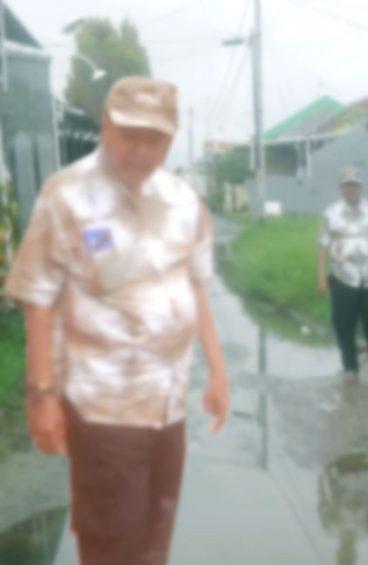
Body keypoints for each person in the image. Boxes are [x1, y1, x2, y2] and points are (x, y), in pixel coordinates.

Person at [3, 77, 231, 565]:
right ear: (106, 126)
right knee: (110, 544)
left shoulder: (184, 201)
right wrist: (41, 395)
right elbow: (38, 295)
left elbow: (196, 287)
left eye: (155, 138)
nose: (141, 150)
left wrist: (217, 370)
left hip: (167, 405)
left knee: (155, 536)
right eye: (130, 135)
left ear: (170, 139)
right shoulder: (66, 195)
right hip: (103, 407)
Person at [317, 166, 368, 383]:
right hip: (342, 276)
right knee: (344, 324)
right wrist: (321, 277)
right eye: (346, 185)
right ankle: (350, 367)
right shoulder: (330, 214)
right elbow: (323, 246)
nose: (350, 189)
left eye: (353, 185)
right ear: (340, 188)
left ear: (360, 187)